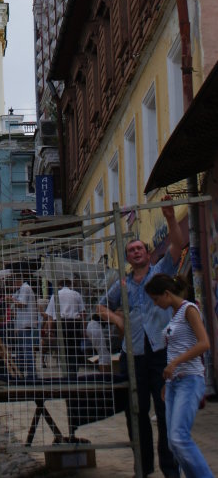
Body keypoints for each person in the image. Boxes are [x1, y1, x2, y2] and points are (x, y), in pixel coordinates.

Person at [98, 199, 183, 478]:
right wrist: (117, 319)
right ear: (127, 258)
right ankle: (143, 468)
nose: (136, 252)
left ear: (147, 254)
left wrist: (170, 218)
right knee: (137, 414)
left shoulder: (159, 274)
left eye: (139, 248)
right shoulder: (120, 285)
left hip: (161, 353)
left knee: (165, 411)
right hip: (132, 355)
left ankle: (170, 469)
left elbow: (176, 247)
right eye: (131, 250)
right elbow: (99, 307)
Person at [143, 273, 211, 478]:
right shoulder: (174, 314)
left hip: (189, 379)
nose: (156, 304)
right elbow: (176, 347)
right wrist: (168, 379)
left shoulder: (189, 310)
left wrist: (175, 363)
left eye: (156, 299)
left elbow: (204, 343)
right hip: (174, 382)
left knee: (179, 437)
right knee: (173, 442)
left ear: (166, 293)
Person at [43, 277, 85, 378]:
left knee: (63, 348)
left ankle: (66, 373)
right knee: (74, 348)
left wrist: (49, 330)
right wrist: (83, 328)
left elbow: (50, 316)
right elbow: (83, 313)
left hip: (60, 324)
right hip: (74, 323)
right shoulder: (76, 294)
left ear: (59, 285)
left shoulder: (55, 296)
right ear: (70, 285)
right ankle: (74, 372)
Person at [9, 267, 38, 378]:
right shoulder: (19, 290)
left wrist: (11, 300)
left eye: (13, 282)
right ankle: (20, 373)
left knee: (27, 349)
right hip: (21, 325)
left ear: (17, 280)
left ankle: (32, 374)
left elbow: (22, 304)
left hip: (26, 324)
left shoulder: (25, 288)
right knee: (21, 350)